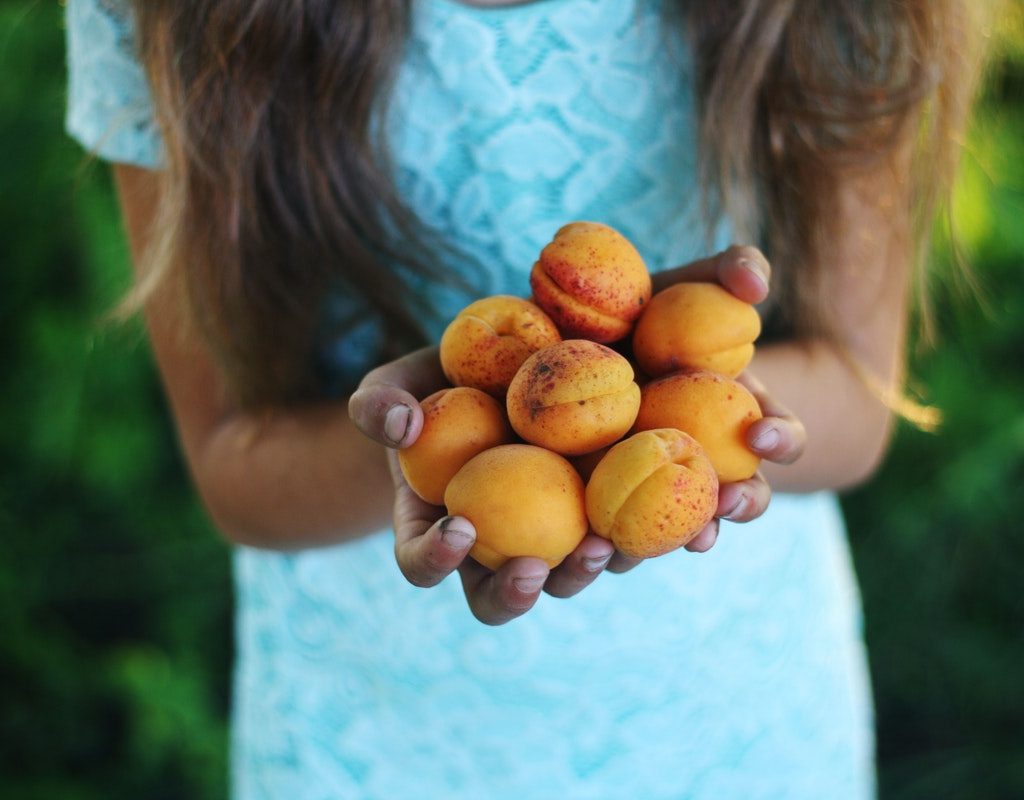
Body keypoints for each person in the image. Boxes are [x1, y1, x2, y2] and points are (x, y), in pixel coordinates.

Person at [65, 0, 984, 797]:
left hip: (727, 713)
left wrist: (719, 410)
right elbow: (234, 463)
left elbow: (858, 404)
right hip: (376, 727)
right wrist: (415, 439)